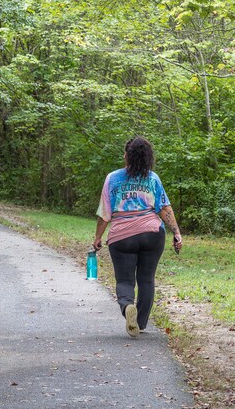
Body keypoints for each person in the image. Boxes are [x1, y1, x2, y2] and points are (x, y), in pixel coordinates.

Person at [92, 136, 182, 338]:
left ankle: (127, 307)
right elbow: (164, 208)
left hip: (122, 237)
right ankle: (139, 324)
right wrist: (176, 232)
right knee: (147, 279)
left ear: (127, 156)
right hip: (152, 234)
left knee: (125, 280)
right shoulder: (153, 178)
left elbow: (105, 212)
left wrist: (98, 237)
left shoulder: (113, 178)